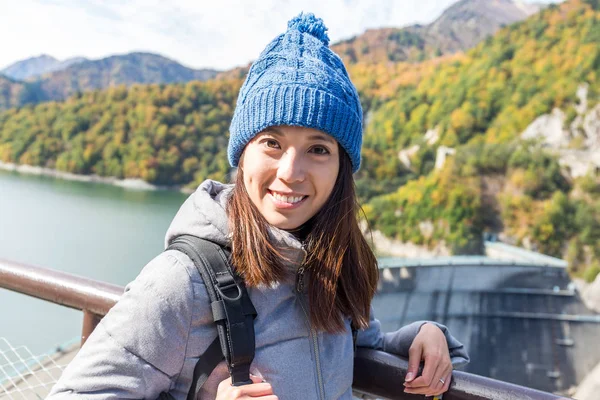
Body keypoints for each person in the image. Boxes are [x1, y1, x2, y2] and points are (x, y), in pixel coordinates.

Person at [47, 12, 468, 400]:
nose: (290, 171)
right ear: (242, 154)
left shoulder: (329, 267)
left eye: (318, 149)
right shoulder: (184, 283)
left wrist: (420, 337)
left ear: (342, 168)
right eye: (272, 143)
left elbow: (351, 348)